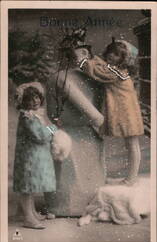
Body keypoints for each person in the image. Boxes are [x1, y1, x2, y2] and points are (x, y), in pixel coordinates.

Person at [74, 37, 144, 186]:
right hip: (129, 112)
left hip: (127, 113)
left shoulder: (116, 72)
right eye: (111, 52)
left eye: (117, 54)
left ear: (123, 59)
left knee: (132, 144)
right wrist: (91, 59)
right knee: (132, 144)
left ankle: (131, 179)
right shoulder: (118, 70)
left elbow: (97, 72)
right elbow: (101, 66)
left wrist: (82, 60)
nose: (112, 56)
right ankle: (131, 178)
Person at [13, 82, 58, 229]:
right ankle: (28, 217)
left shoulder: (34, 115)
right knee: (27, 187)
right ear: (23, 102)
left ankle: (31, 213)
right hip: (28, 157)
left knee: (31, 186)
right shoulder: (27, 117)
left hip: (32, 156)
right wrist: (52, 128)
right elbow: (40, 136)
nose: (35, 101)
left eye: (37, 98)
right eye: (31, 99)